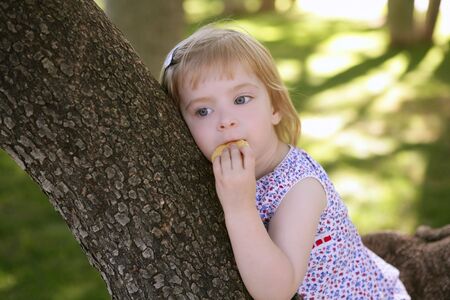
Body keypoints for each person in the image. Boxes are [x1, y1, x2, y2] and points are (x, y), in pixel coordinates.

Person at [160, 24, 410, 300]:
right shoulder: (223, 172)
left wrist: (239, 206)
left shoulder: (300, 188)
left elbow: (276, 291)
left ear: (275, 107)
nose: (225, 120)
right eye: (203, 110)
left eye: (241, 99)